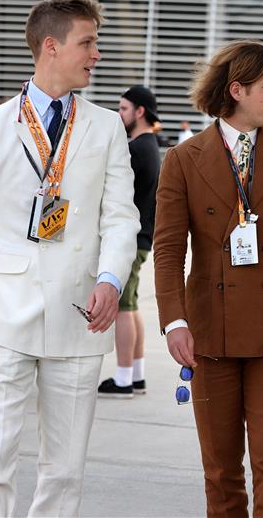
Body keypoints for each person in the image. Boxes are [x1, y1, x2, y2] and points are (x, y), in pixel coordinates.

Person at [0, 0, 139, 516]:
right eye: (88, 42)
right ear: (51, 47)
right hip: (2, 314)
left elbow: (121, 217)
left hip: (81, 316)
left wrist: (111, 279)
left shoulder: (106, 126)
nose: (96, 54)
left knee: (64, 472)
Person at [153, 39, 263, 517]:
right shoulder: (183, 159)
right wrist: (174, 322)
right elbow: (168, 251)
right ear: (237, 89)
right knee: (220, 468)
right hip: (209, 331)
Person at [98, 85, 162, 398]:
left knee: (123, 306)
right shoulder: (150, 146)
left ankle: (123, 378)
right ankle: (135, 375)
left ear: (140, 112)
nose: (119, 114)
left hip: (130, 238)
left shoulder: (136, 150)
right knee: (132, 304)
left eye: (124, 109)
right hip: (142, 236)